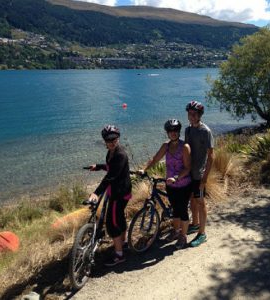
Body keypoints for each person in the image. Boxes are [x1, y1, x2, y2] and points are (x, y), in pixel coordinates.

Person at [140, 119, 192, 249]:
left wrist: (176, 177)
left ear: (179, 132)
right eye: (170, 131)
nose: (173, 133)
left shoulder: (184, 147)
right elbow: (155, 159)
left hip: (183, 184)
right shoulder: (166, 146)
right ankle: (175, 231)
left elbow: (187, 168)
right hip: (171, 185)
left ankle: (183, 236)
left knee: (182, 210)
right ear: (167, 133)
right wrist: (144, 169)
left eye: (175, 131)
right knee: (175, 209)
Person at [88, 125, 132, 266]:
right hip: (121, 191)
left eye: (114, 139)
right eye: (108, 140)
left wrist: (96, 192)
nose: (112, 141)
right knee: (118, 218)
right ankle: (123, 243)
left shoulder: (120, 154)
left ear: (118, 138)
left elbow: (111, 176)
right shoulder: (112, 152)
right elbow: (111, 167)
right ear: (105, 141)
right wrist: (99, 166)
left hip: (118, 194)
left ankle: (119, 255)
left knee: (112, 223)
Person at [185, 100, 214, 247]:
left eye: (194, 114)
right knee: (192, 199)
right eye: (189, 113)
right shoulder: (188, 130)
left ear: (199, 115)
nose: (191, 116)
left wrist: (205, 179)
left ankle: (202, 234)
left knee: (201, 202)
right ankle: (195, 224)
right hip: (189, 173)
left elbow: (211, 156)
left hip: (199, 174)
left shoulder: (205, 131)